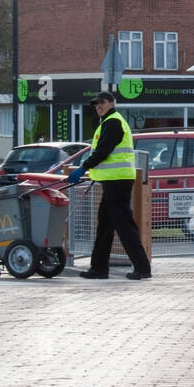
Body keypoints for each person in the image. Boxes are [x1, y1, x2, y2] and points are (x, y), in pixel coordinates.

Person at [67, 92, 152, 281]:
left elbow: (104, 150)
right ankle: (98, 268)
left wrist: (83, 167)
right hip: (113, 180)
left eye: (102, 103)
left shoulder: (113, 122)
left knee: (124, 225)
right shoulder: (108, 122)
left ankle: (142, 268)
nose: (98, 107)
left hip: (117, 181)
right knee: (105, 226)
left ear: (112, 103)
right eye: (96, 104)